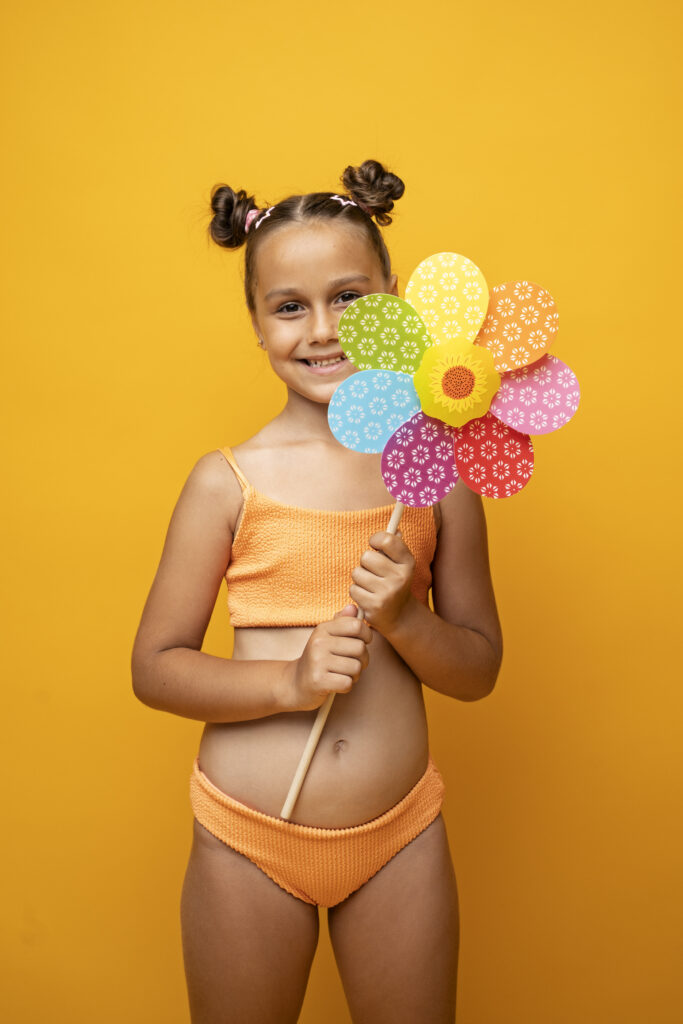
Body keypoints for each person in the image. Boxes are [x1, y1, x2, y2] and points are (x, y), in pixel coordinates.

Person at [131, 158, 503, 1024]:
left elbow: (479, 668)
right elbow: (155, 667)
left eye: (350, 297)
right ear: (257, 323)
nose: (322, 329)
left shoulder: (437, 474)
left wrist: (403, 615)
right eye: (289, 306)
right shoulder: (227, 481)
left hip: (398, 833)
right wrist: (288, 684)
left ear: (397, 297)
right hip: (247, 840)